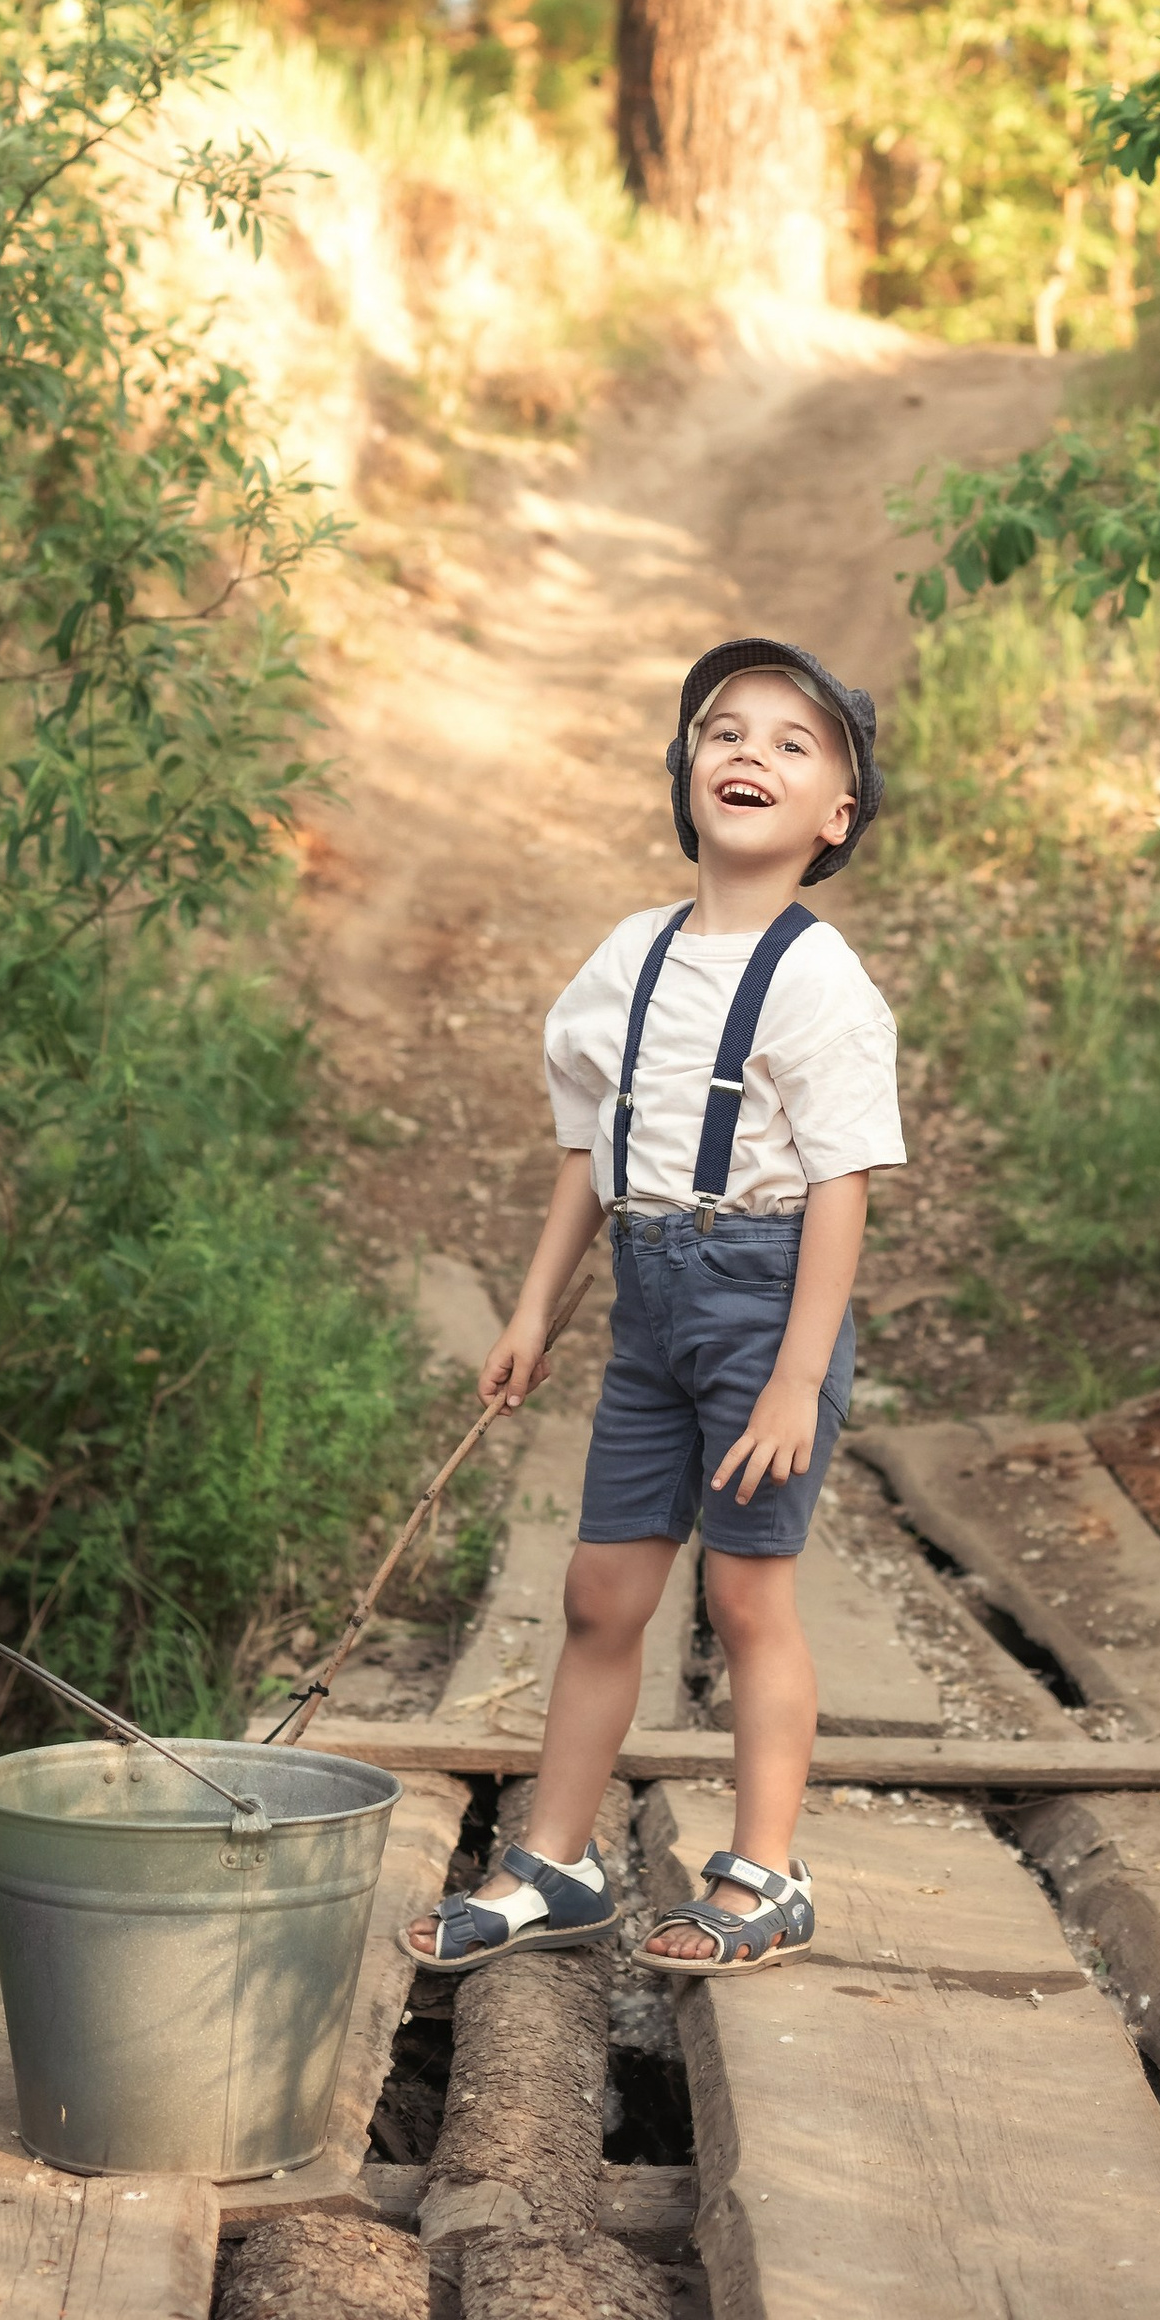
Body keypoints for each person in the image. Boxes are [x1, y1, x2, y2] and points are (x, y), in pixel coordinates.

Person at [404, 633, 904, 1974]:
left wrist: (796, 1378)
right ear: (686, 772)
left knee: (747, 1597)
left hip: (764, 1305)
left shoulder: (819, 980)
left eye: (793, 745)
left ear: (836, 814)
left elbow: (844, 1188)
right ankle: (555, 1867)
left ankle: (765, 1874)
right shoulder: (630, 956)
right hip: (648, 1306)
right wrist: (532, 1312)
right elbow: (591, 1153)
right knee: (601, 1591)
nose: (751, 755)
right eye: (725, 732)